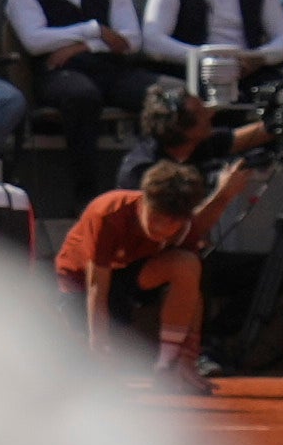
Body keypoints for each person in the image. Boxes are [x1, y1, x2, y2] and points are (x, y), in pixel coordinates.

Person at [55, 143, 222, 376]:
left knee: (188, 264)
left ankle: (168, 364)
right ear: (144, 201)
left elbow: (194, 292)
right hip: (79, 283)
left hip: (129, 277)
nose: (163, 230)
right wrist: (98, 344)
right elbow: (96, 288)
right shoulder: (108, 213)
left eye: (172, 223)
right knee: (91, 373)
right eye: (156, 218)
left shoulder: (185, 228)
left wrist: (188, 358)